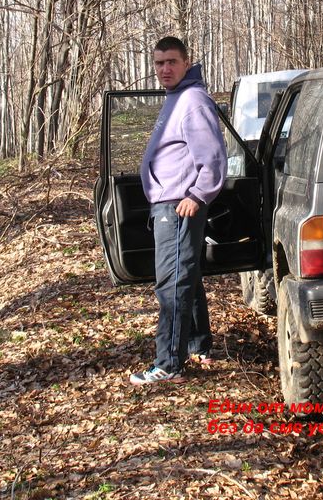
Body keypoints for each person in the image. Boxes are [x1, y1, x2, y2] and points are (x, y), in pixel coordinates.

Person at [129, 36, 227, 385]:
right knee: (188, 277)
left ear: (187, 62)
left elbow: (213, 156)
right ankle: (199, 345)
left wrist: (198, 195)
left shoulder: (192, 100)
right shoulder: (177, 97)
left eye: (172, 61)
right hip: (169, 204)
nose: (165, 69)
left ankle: (168, 363)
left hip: (178, 206)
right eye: (159, 63)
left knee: (172, 283)